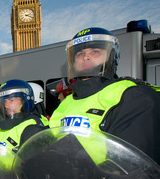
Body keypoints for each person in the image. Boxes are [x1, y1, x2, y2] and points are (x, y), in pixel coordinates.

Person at [49, 27, 160, 165]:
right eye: (79, 53)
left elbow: (130, 164)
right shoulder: (68, 102)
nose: (85, 57)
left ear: (111, 56)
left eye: (95, 52)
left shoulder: (134, 96)